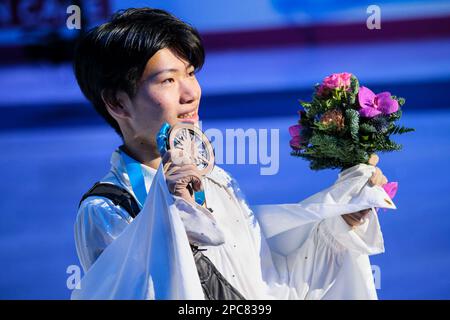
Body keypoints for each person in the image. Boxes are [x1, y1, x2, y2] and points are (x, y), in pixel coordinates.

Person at [73, 7, 390, 300]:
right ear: (117, 103)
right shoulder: (107, 208)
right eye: (168, 79)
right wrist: (172, 207)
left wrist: (342, 219)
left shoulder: (216, 181)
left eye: (191, 73)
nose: (191, 93)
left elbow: (265, 292)